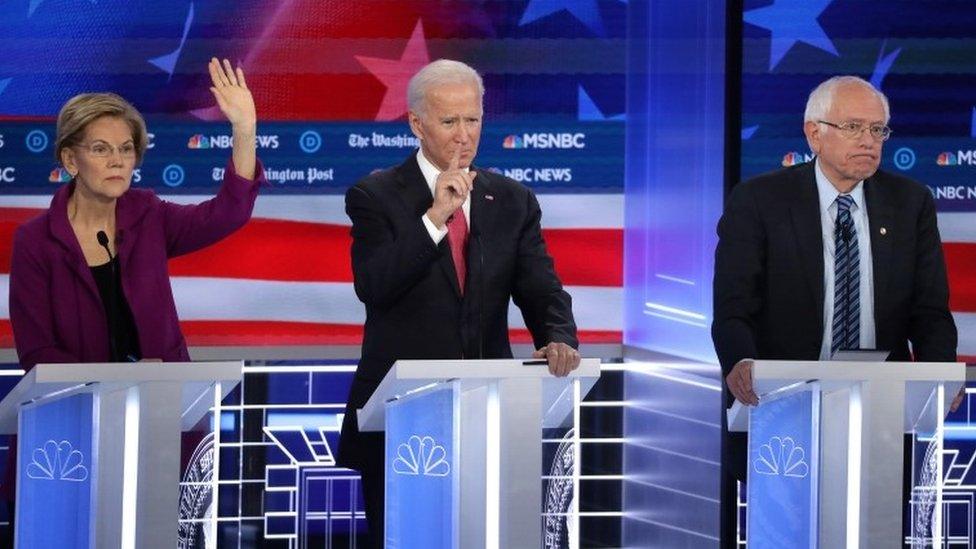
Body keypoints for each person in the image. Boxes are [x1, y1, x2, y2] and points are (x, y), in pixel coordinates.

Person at [337, 59, 581, 547]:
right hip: (401, 419)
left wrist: (557, 335)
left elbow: (541, 288)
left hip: (487, 411)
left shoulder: (511, 200)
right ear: (417, 124)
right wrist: (434, 217)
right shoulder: (375, 195)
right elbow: (375, 286)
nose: (464, 135)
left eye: (473, 120)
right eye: (449, 122)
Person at [711, 75, 958, 547]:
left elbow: (930, 310)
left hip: (880, 408)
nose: (868, 140)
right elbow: (733, 307)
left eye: (878, 130)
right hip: (783, 405)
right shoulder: (760, 201)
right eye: (852, 126)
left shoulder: (910, 203)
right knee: (786, 533)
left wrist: (939, 372)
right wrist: (741, 363)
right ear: (813, 133)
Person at [9, 58, 263, 369]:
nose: (117, 160)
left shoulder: (149, 216)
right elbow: (37, 350)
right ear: (71, 160)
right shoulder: (35, 241)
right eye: (101, 149)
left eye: (126, 148)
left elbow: (228, 214)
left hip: (162, 401)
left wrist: (244, 129)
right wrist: (101, 391)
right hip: (78, 408)